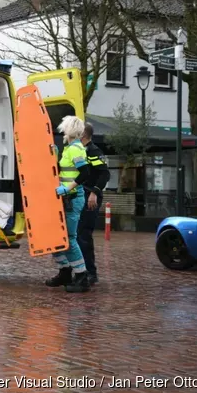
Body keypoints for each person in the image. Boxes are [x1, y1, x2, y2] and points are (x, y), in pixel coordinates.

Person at [45, 115, 93, 292]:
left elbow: (84, 173)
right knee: (57, 238)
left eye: (64, 128)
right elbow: (66, 171)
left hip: (72, 199)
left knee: (69, 239)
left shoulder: (75, 149)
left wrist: (68, 188)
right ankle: (65, 272)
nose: (62, 131)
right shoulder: (70, 148)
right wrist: (55, 156)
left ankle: (82, 277)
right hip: (66, 199)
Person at [77, 122, 110, 285]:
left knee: (83, 234)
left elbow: (104, 174)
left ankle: (90, 273)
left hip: (89, 197)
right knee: (77, 234)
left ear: (83, 134)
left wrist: (94, 192)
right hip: (79, 196)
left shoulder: (93, 151)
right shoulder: (78, 150)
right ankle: (79, 271)